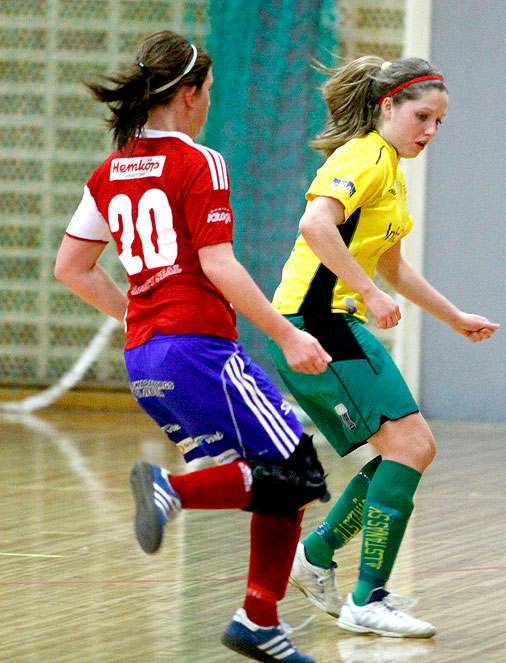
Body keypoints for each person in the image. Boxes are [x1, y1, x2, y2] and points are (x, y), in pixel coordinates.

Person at [54, 30, 333, 663]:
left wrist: (140, 314)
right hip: (196, 348)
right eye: (208, 92)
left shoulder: (112, 169)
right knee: (298, 469)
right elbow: (219, 265)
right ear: (188, 94)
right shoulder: (198, 161)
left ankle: (259, 620)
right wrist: (288, 335)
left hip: (144, 356)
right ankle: (172, 491)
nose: (209, 103)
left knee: (283, 478)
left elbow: (71, 267)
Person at [268, 55, 500, 638]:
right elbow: (315, 227)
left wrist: (452, 317)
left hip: (333, 322)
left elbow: (391, 263)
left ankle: (317, 558)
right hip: (315, 321)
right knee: (412, 445)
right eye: (421, 116)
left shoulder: (391, 169)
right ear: (387, 106)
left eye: (440, 122)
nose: (430, 131)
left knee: (406, 449)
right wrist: (367, 293)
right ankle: (365, 599)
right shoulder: (362, 157)